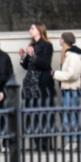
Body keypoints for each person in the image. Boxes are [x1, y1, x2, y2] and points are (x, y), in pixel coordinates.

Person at [19, 22, 56, 151]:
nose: (30, 30)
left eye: (32, 28)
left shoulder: (47, 46)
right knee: (32, 112)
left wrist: (33, 56)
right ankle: (38, 143)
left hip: (42, 82)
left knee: (44, 111)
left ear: (39, 31)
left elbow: (46, 64)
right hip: (31, 83)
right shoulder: (31, 45)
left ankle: (46, 143)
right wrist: (23, 57)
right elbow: (27, 66)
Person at [52, 32, 81, 151]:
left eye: (61, 38)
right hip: (67, 90)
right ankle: (71, 140)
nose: (60, 40)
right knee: (67, 116)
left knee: (72, 116)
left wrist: (55, 74)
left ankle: (74, 140)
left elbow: (73, 75)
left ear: (64, 41)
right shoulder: (67, 55)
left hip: (72, 90)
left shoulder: (73, 56)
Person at [0, 34, 14, 153]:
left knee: (6, 117)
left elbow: (10, 75)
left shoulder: (5, 57)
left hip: (4, 91)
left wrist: (3, 92)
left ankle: (5, 143)